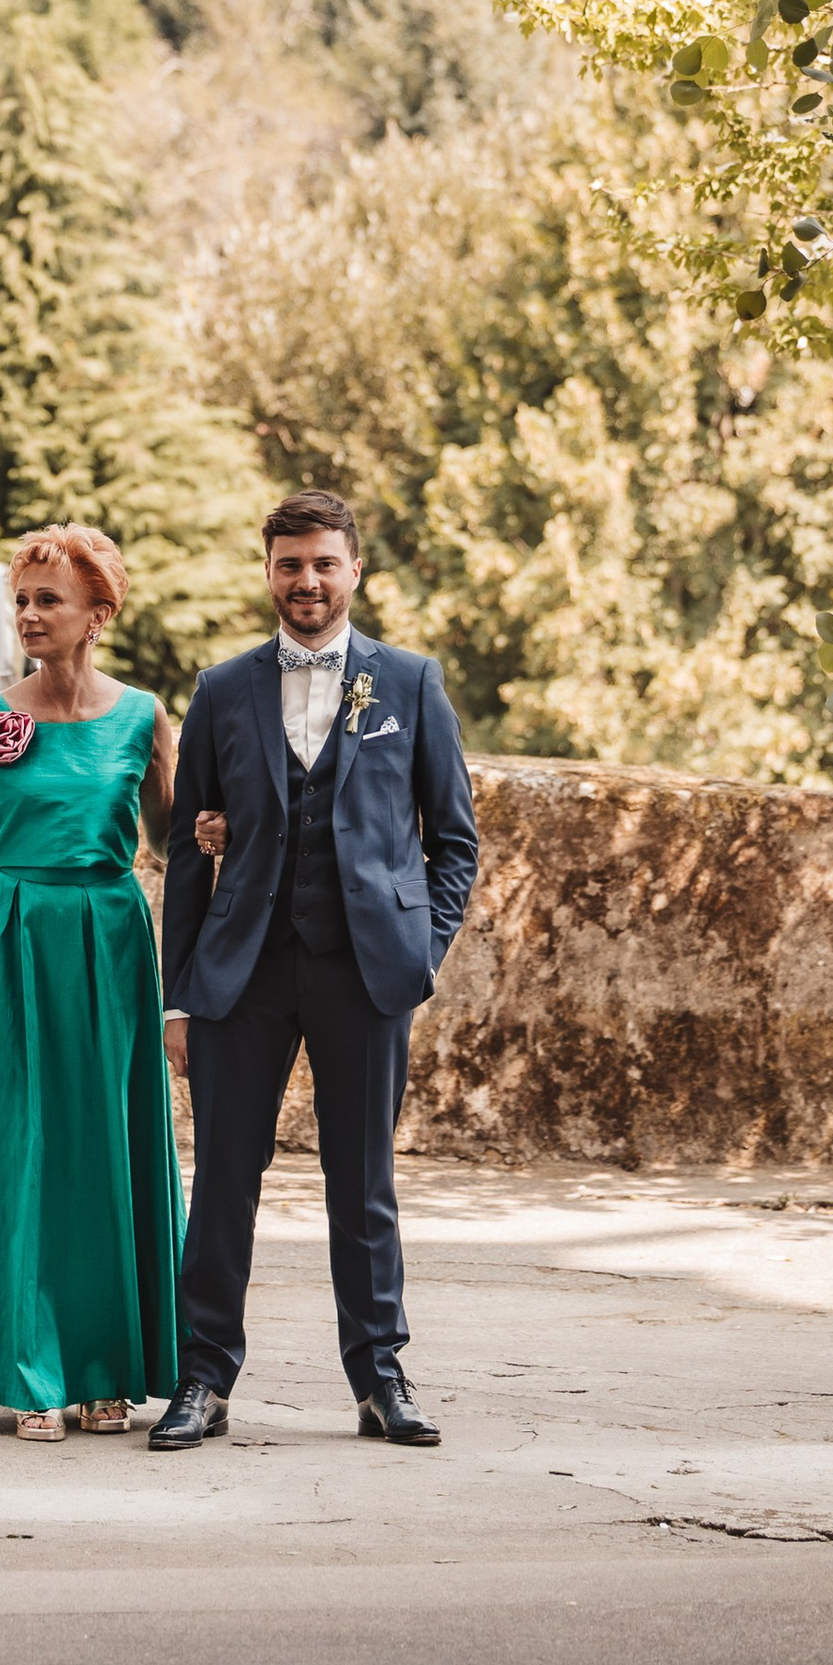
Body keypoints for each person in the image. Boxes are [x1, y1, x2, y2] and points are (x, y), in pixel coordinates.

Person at [151, 490, 480, 1453]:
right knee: (222, 1184)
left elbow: (453, 839)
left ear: (354, 571)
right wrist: (179, 994)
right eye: (290, 564)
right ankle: (203, 1380)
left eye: (324, 564)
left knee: (363, 1182)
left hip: (367, 972)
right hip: (240, 973)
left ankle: (380, 1376)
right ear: (268, 572)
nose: (307, 581)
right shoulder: (221, 690)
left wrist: (422, 953)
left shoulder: (410, 684)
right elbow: (187, 845)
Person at [0, 528, 184, 1441]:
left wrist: (215, 842)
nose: (31, 616)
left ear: (97, 617)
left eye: (50, 602)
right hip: (15, 938)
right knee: (26, 1150)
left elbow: (171, 843)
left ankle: (107, 1367)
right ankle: (34, 1371)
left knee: (107, 1148)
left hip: (111, 942)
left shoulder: (144, 716)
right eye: (23, 601)